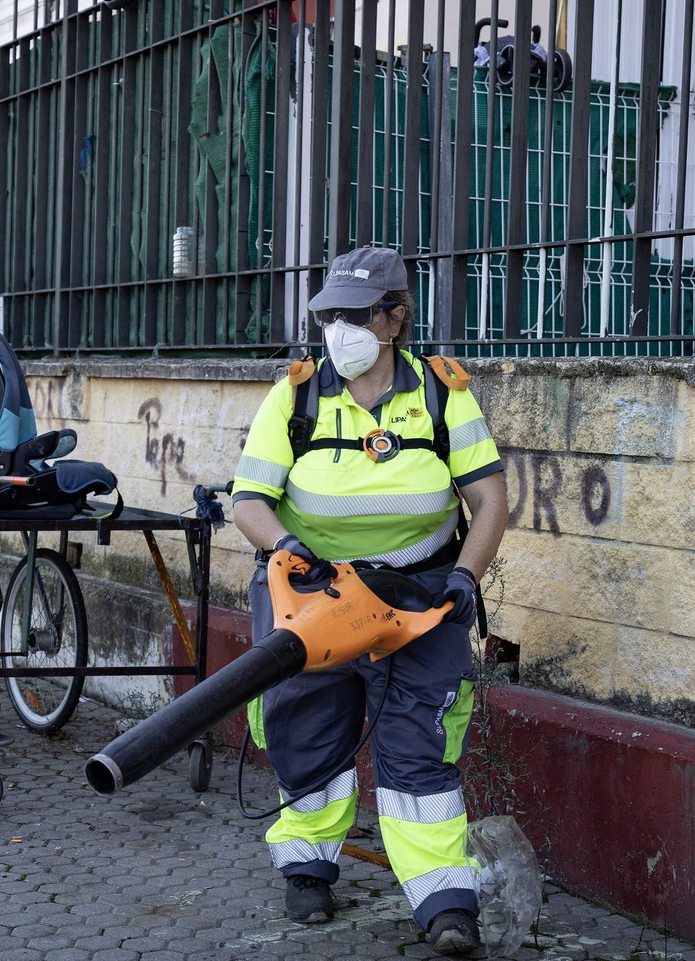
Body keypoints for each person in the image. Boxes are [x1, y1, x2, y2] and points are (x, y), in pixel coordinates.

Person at [230, 246, 509, 954]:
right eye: (328, 316)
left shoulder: (443, 390)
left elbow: (489, 498)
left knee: (419, 742)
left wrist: (466, 577)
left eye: (356, 315)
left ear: (395, 319)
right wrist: (288, 549)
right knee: (306, 729)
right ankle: (307, 869)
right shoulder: (294, 394)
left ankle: (446, 898)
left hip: (419, 598)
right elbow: (249, 501)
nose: (338, 329)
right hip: (315, 594)